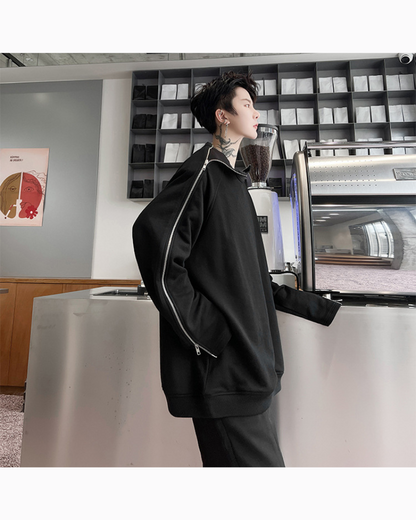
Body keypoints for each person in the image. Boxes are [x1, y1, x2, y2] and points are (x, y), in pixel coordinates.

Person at [132, 71, 341, 467]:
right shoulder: (203, 172)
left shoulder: (234, 181)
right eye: (246, 104)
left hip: (248, 369)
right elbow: (153, 244)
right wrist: (209, 332)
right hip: (225, 371)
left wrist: (319, 306)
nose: (256, 113)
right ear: (222, 115)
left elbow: (246, 275)